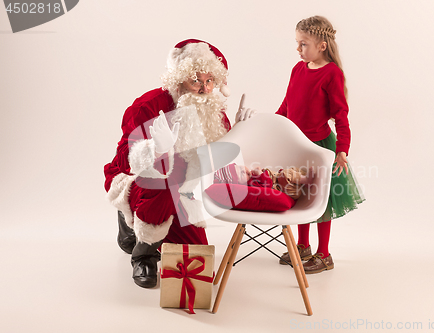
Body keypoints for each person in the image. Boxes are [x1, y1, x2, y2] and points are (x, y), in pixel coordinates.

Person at [104, 39, 254, 288]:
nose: (204, 89)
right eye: (196, 81)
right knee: (166, 183)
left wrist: (239, 130)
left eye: (209, 81)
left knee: (196, 255)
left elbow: (216, 158)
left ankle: (140, 228)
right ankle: (144, 254)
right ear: (180, 80)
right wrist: (158, 149)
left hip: (185, 191)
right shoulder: (149, 105)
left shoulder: (213, 111)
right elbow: (128, 161)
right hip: (145, 182)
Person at [276, 16, 365, 274]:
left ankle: (324, 254)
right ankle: (302, 245)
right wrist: (273, 124)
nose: (298, 49)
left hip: (319, 147)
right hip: (297, 144)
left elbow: (340, 115)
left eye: (303, 44)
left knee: (321, 199)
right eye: (297, 43)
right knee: (300, 195)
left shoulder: (331, 74)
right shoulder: (298, 69)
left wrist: (341, 151)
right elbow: (287, 105)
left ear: (322, 45)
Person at [213, 163, 315, 200]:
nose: (244, 170)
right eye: (241, 174)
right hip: (289, 190)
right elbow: (268, 185)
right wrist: (261, 174)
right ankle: (307, 180)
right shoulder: (251, 184)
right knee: (286, 173)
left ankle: (304, 181)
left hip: (292, 185)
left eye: (240, 167)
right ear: (240, 184)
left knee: (292, 170)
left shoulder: (252, 176)